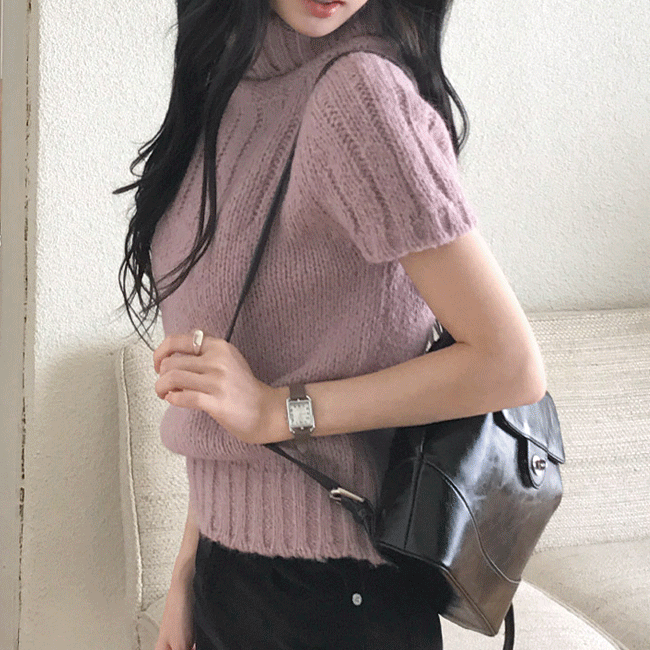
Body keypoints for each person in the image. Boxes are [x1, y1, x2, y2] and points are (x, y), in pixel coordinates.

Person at [114, 0, 547, 648]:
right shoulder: (228, 82)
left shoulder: (360, 97)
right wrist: (187, 570)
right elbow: (229, 372)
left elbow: (510, 365)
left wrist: (279, 411)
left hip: (334, 599)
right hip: (230, 576)